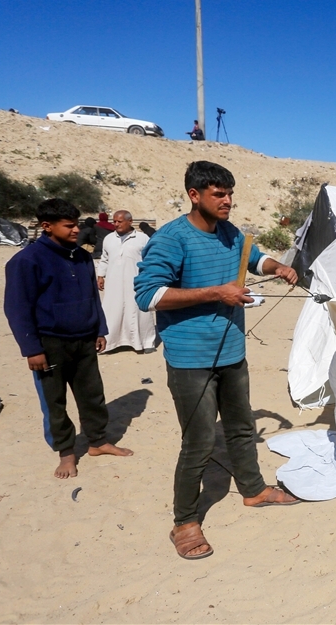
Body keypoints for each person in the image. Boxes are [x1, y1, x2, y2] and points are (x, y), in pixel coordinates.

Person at [134, 160, 300, 560]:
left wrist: (276, 266)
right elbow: (148, 296)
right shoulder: (172, 239)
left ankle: (254, 490)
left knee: (241, 428)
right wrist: (215, 293)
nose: (227, 201)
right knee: (199, 440)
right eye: (218, 194)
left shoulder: (231, 234)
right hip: (191, 358)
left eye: (229, 194)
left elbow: (253, 258)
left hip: (232, 353)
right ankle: (185, 522)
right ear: (195, 195)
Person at [3, 199, 134, 479]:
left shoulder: (82, 256)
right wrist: (31, 349)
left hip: (85, 339)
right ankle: (66, 452)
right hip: (50, 344)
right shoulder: (27, 261)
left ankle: (98, 442)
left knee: (92, 395)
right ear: (47, 226)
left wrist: (99, 329)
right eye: (69, 225)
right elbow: (17, 308)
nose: (76, 230)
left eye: (77, 224)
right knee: (55, 400)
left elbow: (91, 297)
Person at [97, 210, 157, 353]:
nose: (116, 224)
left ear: (130, 221)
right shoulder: (109, 239)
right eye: (114, 221)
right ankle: (111, 343)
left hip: (136, 282)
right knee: (112, 310)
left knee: (138, 310)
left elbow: (150, 260)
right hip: (113, 282)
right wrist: (101, 275)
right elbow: (104, 259)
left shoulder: (143, 238)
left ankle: (145, 342)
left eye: (119, 221)